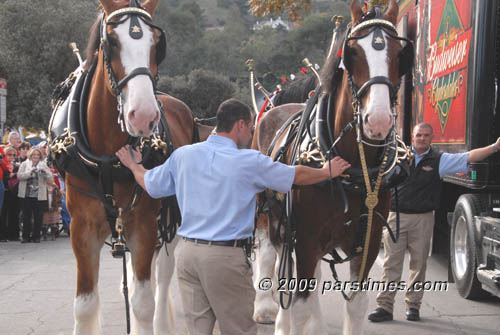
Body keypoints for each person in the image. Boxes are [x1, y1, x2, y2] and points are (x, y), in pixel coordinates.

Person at [116, 98, 351, 335]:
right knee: (239, 330)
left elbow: (151, 185)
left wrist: (134, 165)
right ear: (240, 125)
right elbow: (294, 175)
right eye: (250, 127)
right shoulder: (248, 161)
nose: (250, 134)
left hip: (188, 257)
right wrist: (325, 171)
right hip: (224, 259)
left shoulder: (183, 156)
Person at [368, 122, 500, 323]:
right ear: (412, 137)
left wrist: (495, 147)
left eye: (426, 135)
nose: (422, 138)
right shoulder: (397, 156)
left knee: (418, 266)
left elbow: (469, 156)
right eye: (418, 135)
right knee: (391, 265)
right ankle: (384, 306)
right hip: (396, 217)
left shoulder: (440, 160)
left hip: (423, 219)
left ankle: (413, 306)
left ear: (431, 138)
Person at [17, 147, 53, 243]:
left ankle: (36, 236)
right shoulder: (25, 164)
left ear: (40, 156)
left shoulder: (43, 165)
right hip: (26, 194)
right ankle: (25, 236)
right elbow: (19, 176)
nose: (35, 156)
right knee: (26, 216)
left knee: (38, 217)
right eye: (34, 155)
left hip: (39, 195)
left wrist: (45, 173)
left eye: (37, 155)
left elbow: (51, 179)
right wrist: (30, 172)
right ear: (30, 155)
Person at [1, 146, 20, 241]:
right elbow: (4, 177)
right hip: (5, 191)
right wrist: (9, 176)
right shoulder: (3, 165)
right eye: (9, 154)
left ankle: (14, 235)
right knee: (4, 214)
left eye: (14, 155)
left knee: (14, 213)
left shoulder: (16, 165)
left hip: (14, 192)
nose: (12, 157)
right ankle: (3, 235)